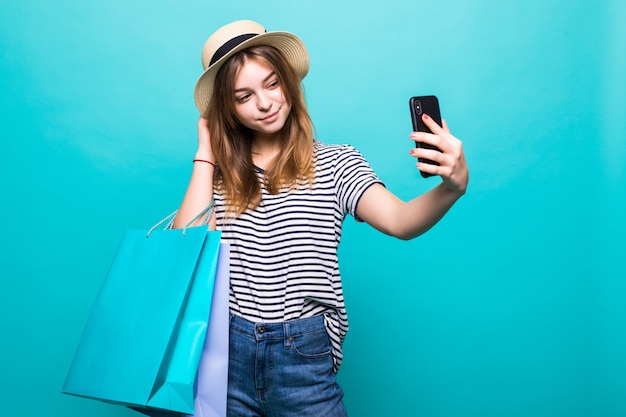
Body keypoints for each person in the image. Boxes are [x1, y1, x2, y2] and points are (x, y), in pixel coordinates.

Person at [173, 20, 468, 417]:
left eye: (272, 83)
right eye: (243, 96)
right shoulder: (220, 177)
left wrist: (451, 187)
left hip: (303, 355)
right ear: (229, 109)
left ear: (289, 83)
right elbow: (184, 250)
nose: (264, 103)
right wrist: (207, 152)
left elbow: (400, 220)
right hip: (226, 355)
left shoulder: (336, 163)